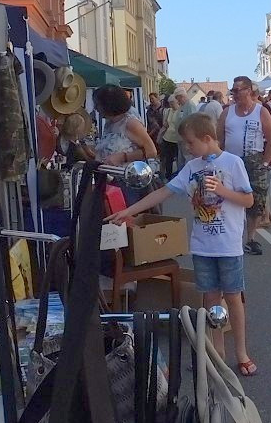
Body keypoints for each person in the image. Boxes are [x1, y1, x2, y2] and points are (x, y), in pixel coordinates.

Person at [109, 113, 258, 376]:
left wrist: (223, 191)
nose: (187, 149)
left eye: (190, 143)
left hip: (228, 245)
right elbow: (163, 191)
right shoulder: (192, 168)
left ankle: (242, 352)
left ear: (207, 138)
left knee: (233, 298)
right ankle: (217, 351)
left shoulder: (233, 163)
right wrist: (128, 211)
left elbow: (248, 201)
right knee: (211, 298)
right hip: (203, 246)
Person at [220, 75, 271, 256]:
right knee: (229, 199)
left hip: (254, 160)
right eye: (233, 91)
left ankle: (250, 238)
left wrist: (265, 163)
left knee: (256, 199)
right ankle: (232, 237)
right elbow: (218, 139)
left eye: (238, 90)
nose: (234, 94)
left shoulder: (260, 111)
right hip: (231, 161)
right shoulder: (227, 112)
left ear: (249, 90)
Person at [93, 84, 159, 205]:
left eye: (98, 104)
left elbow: (151, 151)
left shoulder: (130, 123)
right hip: (111, 181)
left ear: (109, 105)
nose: (95, 108)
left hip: (128, 184)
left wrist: (123, 157)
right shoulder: (109, 123)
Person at [160, 95, 181, 181]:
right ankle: (168, 176)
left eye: (172, 103)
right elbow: (165, 124)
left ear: (177, 102)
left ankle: (178, 176)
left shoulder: (181, 111)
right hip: (167, 138)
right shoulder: (168, 111)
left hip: (177, 139)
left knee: (178, 158)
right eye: (170, 103)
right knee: (168, 158)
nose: (171, 105)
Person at [175, 88, 196, 169]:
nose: (177, 101)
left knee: (187, 160)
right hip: (180, 139)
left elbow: (192, 122)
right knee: (181, 161)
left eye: (178, 98)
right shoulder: (181, 106)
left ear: (181, 96)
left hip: (186, 139)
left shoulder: (190, 105)